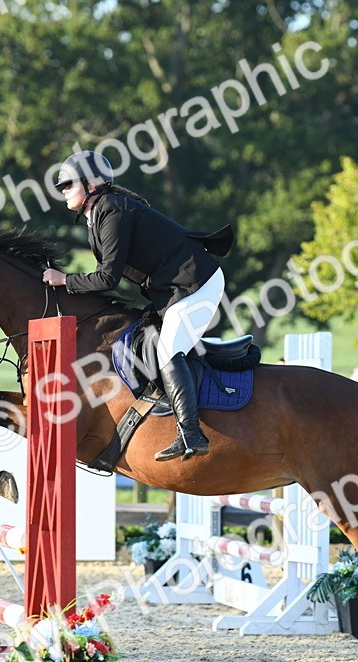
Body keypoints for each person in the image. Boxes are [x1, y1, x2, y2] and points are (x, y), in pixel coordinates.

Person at [42, 150, 232, 461]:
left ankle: (191, 433)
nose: (63, 191)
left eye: (67, 185)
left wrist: (65, 280)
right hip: (173, 291)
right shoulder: (100, 212)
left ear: (91, 184)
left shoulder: (113, 210)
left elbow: (108, 278)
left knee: (169, 350)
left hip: (198, 284)